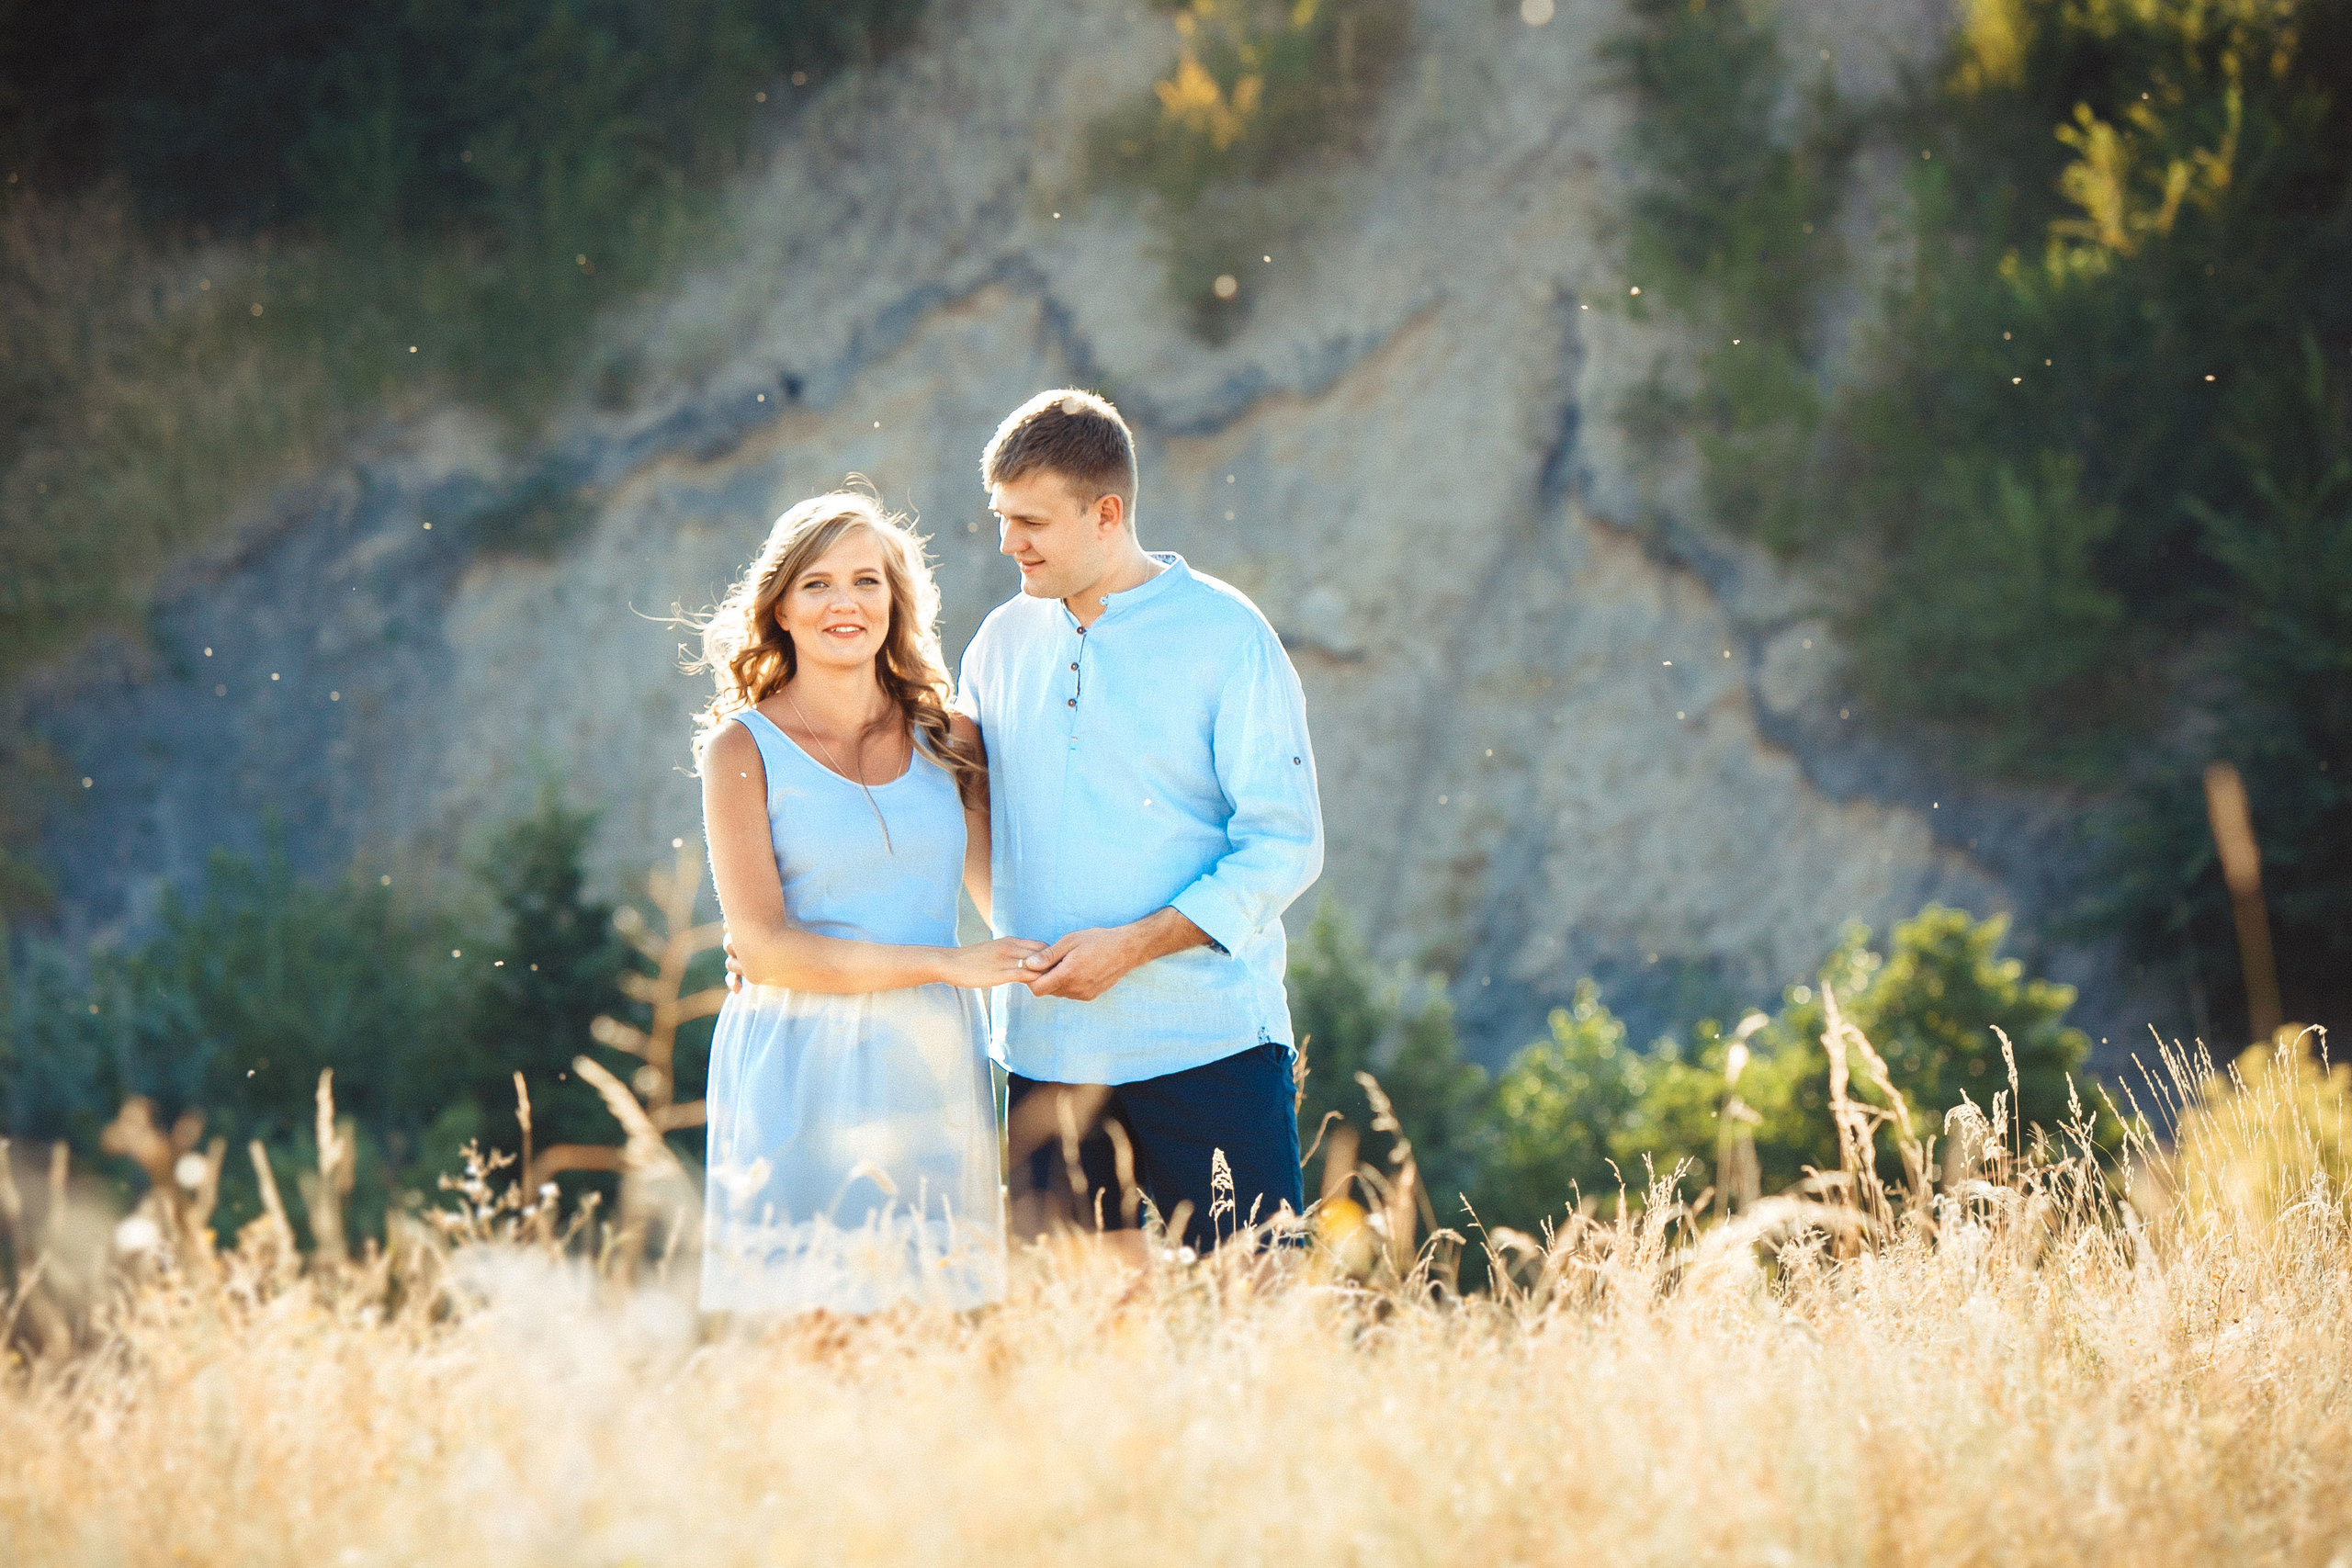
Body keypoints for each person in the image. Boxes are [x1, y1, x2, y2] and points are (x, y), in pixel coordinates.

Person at [959, 389, 1325, 1257]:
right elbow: (962, 803)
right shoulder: (997, 642)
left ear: (1107, 513)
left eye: (1031, 521)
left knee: (1264, 1313)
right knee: (1084, 1339)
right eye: (1002, 517)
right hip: (1048, 1052)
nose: (1009, 541)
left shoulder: (1227, 635)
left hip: (1206, 1043)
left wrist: (1128, 947)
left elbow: (1284, 844)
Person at [691, 491, 1039, 1314]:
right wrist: (944, 964)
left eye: (866, 581)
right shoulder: (740, 748)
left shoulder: (950, 738)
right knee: (807, 1332)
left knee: (935, 1323)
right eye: (816, 584)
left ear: (896, 600)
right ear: (779, 606)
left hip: (927, 1057)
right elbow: (767, 947)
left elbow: (1005, 902)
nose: (844, 602)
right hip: (794, 1062)